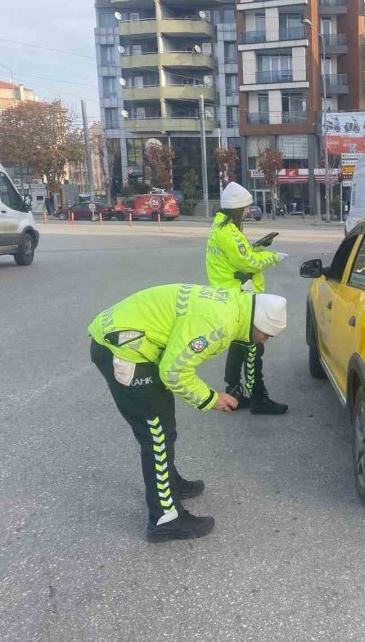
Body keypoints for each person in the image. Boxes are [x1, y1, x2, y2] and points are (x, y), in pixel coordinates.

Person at [88, 285, 287, 542]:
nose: (264, 341)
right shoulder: (219, 323)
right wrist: (211, 399)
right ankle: (164, 519)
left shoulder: (234, 305)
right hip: (124, 350)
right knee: (156, 434)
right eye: (266, 335)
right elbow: (173, 372)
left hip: (127, 339)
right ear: (257, 323)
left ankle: (169, 485)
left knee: (163, 425)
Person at [207, 182, 289, 415]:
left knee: (237, 345)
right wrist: (272, 257)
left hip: (230, 294)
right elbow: (248, 262)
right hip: (240, 296)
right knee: (254, 346)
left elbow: (241, 256)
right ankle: (258, 398)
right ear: (236, 207)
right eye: (245, 207)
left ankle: (234, 393)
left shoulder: (221, 228)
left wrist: (257, 247)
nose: (247, 211)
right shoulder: (228, 232)